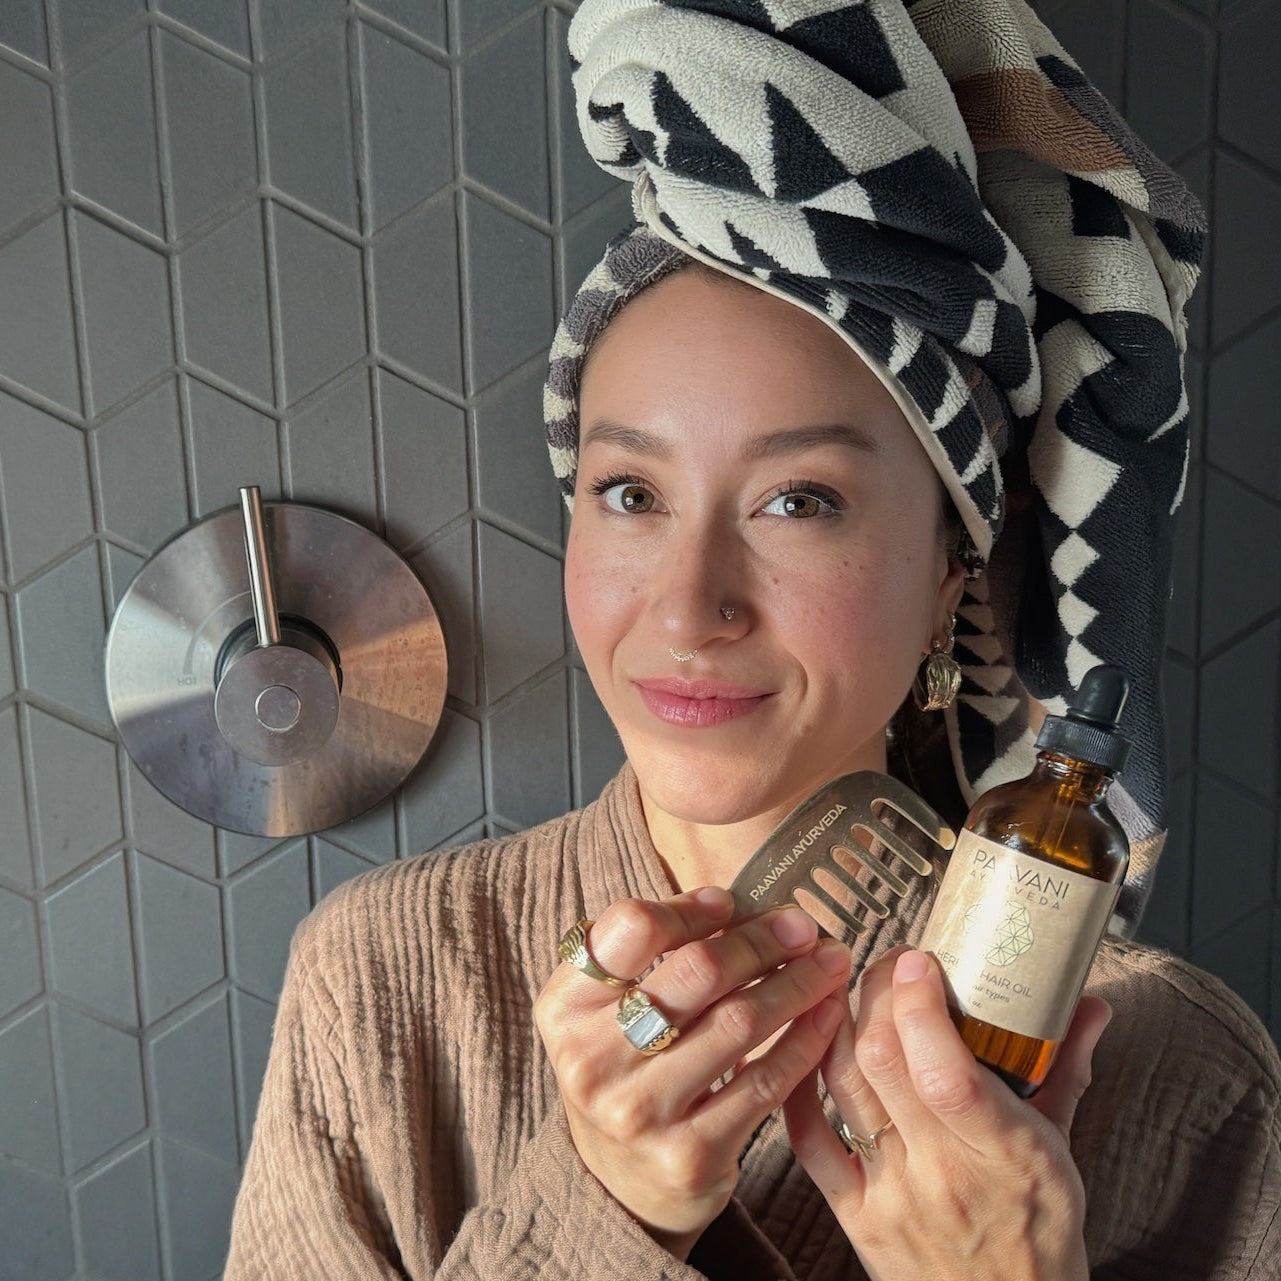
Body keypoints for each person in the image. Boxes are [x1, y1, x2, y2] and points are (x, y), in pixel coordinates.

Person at [225, 1, 1281, 1277]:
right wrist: (597, 1206)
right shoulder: (382, 982)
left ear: (956, 572)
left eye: (801, 501)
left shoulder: (1186, 1074)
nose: (687, 606)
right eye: (630, 493)